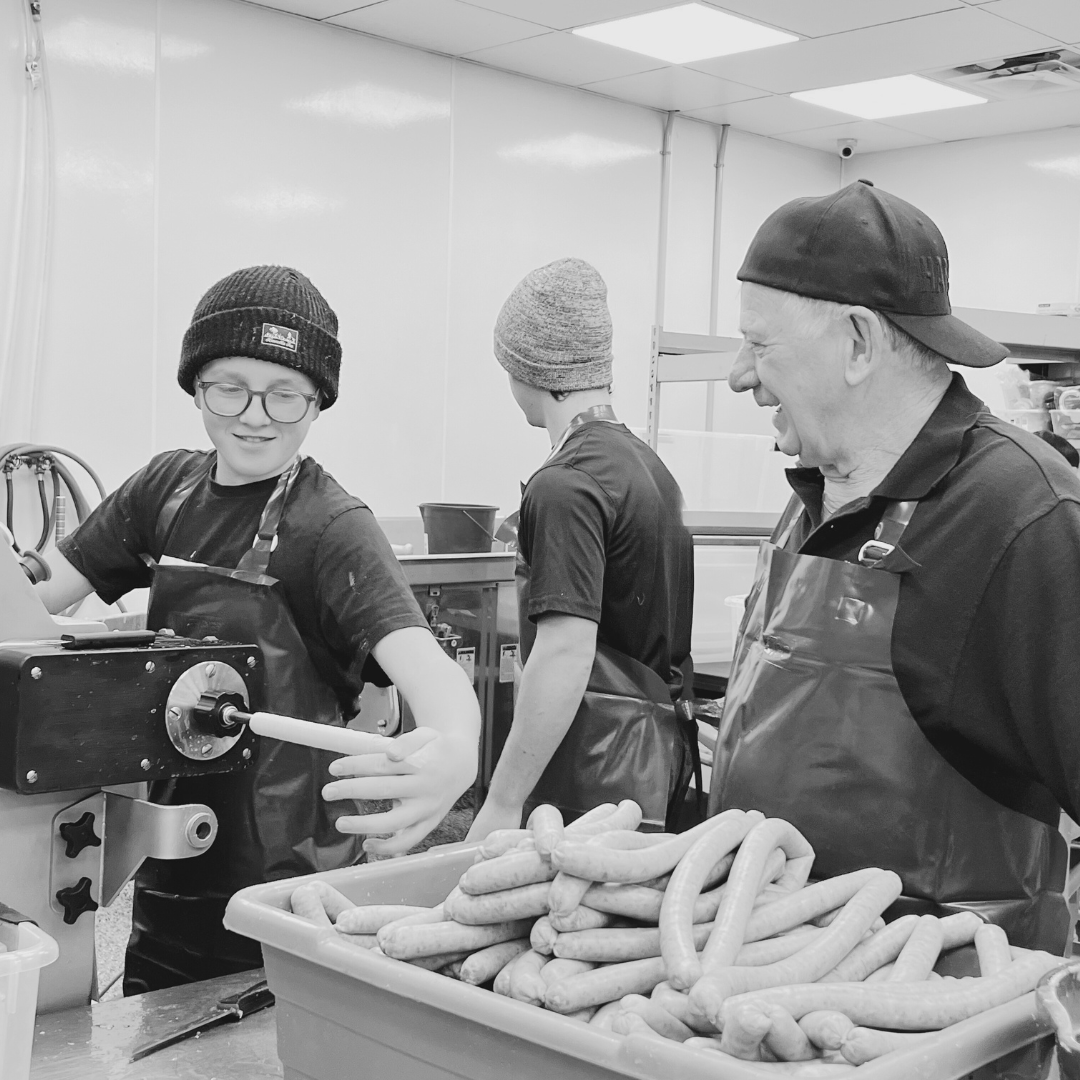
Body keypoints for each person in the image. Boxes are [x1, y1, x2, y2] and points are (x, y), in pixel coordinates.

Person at [36, 265, 480, 991]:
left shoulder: (332, 527)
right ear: (195, 385)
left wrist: (456, 749)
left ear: (318, 401)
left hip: (291, 895)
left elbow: (438, 685)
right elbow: (45, 591)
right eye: (228, 387)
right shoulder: (165, 491)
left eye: (285, 394)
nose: (255, 416)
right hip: (169, 867)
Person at [710, 179, 1080, 955]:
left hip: (944, 1026)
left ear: (857, 343)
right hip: (760, 994)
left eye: (760, 344)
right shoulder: (819, 490)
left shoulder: (1025, 519)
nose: (740, 375)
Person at [467, 257, 695, 838]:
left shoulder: (566, 483)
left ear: (528, 369)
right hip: (650, 757)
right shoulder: (647, 467)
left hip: (591, 770)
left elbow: (565, 654)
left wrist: (501, 801)